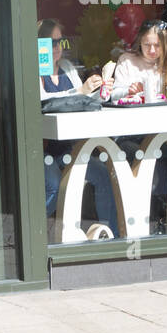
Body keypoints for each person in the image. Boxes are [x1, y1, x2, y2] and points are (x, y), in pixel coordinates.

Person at [38, 20, 119, 238]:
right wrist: (81, 91)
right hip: (43, 149)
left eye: (60, 41)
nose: (57, 47)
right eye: (51, 42)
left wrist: (100, 91)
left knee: (104, 175)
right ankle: (34, 236)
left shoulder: (67, 68)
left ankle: (108, 233)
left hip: (69, 149)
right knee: (53, 185)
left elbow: (80, 101)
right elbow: (44, 104)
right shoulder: (35, 71)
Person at [111, 19, 167, 103]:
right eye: (147, 45)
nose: (152, 50)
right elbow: (113, 95)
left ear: (165, 45)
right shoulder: (126, 61)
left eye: (157, 45)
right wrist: (128, 91)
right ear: (140, 42)